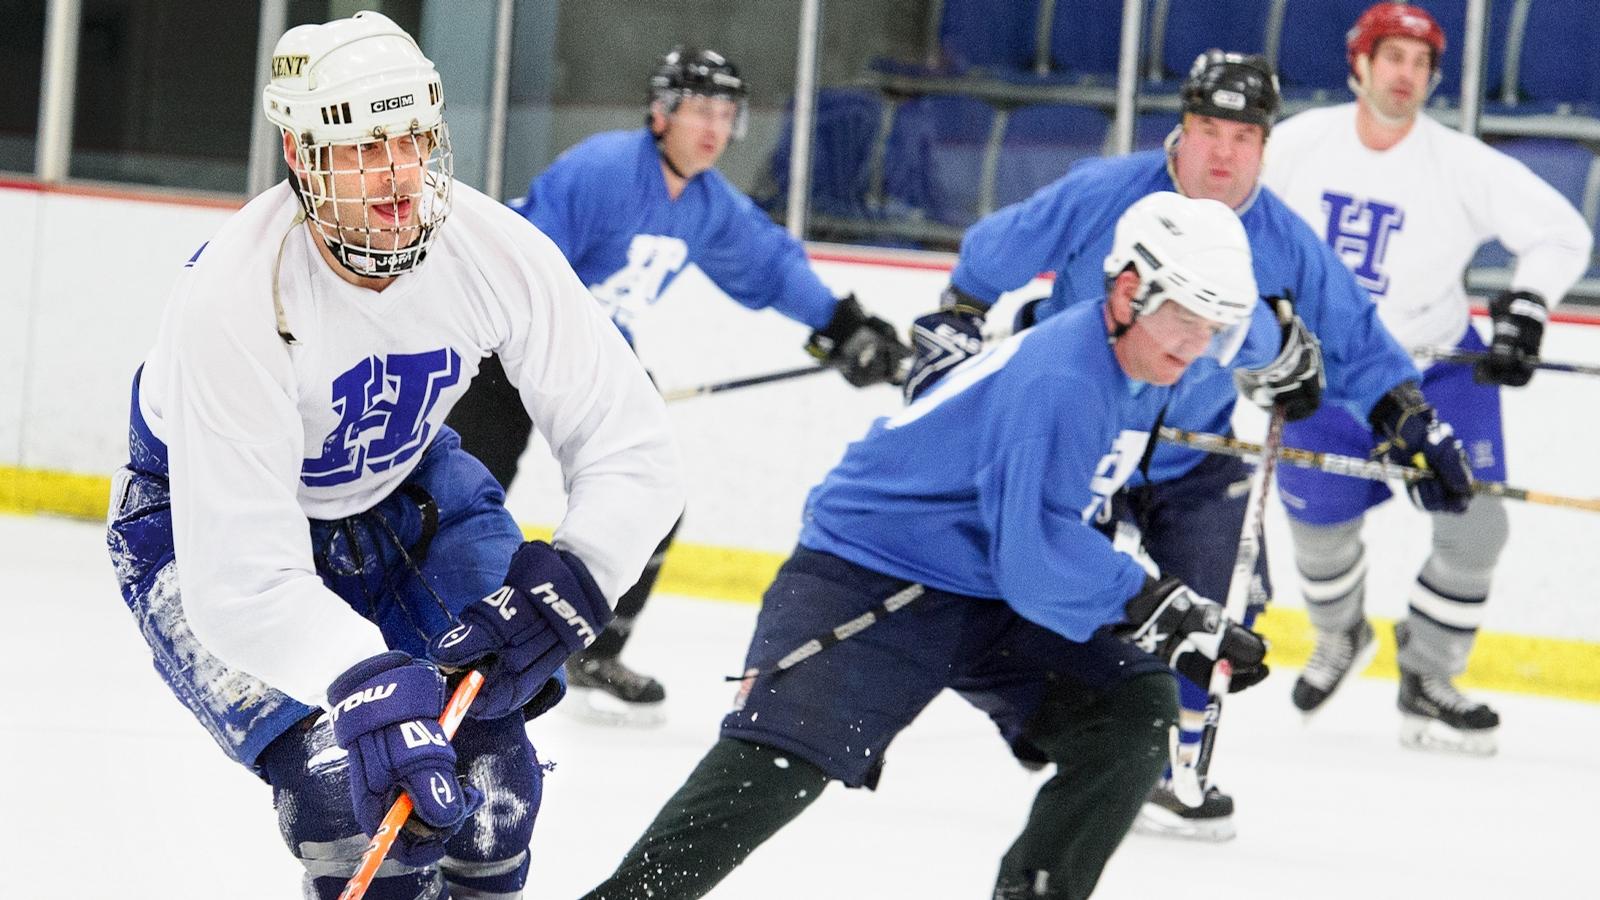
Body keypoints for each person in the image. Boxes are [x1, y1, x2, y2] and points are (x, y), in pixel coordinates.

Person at [104, 13, 684, 900]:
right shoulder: (231, 299)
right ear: (301, 157)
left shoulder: (492, 249)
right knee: (351, 804)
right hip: (201, 524)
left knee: (491, 795)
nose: (400, 172)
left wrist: (581, 572)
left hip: (409, 492)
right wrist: (366, 678)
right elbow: (246, 578)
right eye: (365, 147)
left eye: (413, 139)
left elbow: (630, 441)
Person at [580, 191, 1271, 900]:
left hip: (988, 583)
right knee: (776, 766)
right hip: (875, 572)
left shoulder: (1146, 362)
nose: (1196, 344)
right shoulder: (1066, 377)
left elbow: (1046, 528)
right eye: (1186, 317)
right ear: (1128, 290)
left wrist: (1162, 612)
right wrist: (1156, 605)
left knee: (1130, 708)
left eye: (1212, 326)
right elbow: (1036, 554)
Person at [900, 50, 1472, 841]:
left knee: (1222, 609)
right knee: (1066, 590)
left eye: (1243, 136)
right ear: (1182, 129)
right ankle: (1081, 726)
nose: (1222, 153)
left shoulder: (1280, 236)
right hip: (1084, 439)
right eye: (1208, 129)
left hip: (1192, 452)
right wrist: (960, 313)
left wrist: (1406, 418)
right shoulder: (1105, 193)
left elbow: (1353, 336)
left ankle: (1172, 760)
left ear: (1265, 145)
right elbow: (995, 250)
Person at [445, 46, 909, 723]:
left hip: (593, 357)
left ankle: (595, 649)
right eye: (701, 110)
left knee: (647, 492)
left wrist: (845, 326)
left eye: (726, 113)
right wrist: (589, 348)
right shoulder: (603, 169)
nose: (715, 127)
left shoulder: (707, 203)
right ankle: (432, 625)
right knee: (463, 492)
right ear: (661, 113)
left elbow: (771, 267)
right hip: (506, 346)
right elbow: (525, 265)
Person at [1259, 2, 1592, 755]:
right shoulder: (1299, 145)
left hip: (1437, 371)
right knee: (1318, 533)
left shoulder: (1460, 163)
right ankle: (1341, 635)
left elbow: (1561, 232)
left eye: (1420, 63)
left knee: (1477, 529)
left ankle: (1429, 672)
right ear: (1360, 65)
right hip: (1327, 375)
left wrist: (1527, 310)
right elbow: (1234, 222)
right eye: (1393, 57)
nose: (1406, 75)